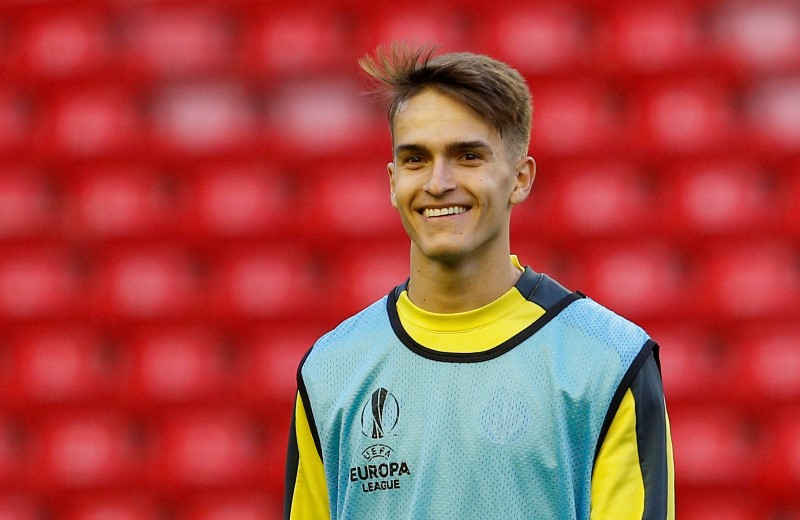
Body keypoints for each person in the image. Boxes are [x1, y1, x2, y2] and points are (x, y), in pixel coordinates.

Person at [284, 43, 674, 520]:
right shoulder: (331, 370)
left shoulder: (608, 359)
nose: (437, 182)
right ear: (391, 181)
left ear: (520, 177)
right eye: (415, 159)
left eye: (467, 156)